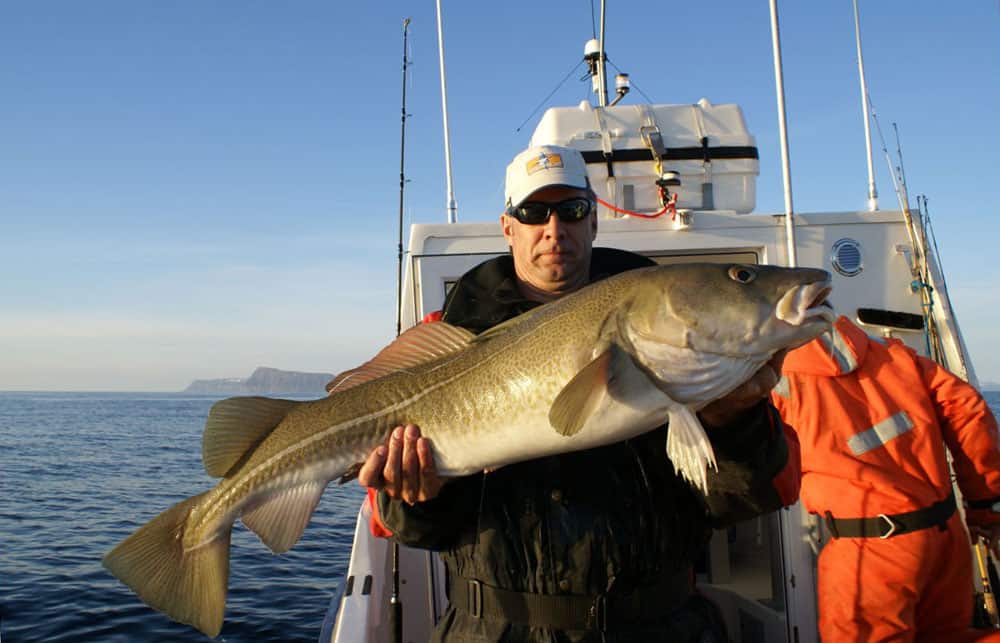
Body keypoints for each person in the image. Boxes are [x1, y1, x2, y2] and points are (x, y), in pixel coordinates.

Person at [358, 144, 800, 642]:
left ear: (593, 221)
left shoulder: (685, 352)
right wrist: (417, 499)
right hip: (496, 629)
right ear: (508, 226)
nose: (554, 229)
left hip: (659, 626)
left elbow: (746, 502)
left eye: (571, 210)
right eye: (533, 212)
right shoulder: (449, 336)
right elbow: (418, 533)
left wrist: (735, 421)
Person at [771, 314, 1000, 642]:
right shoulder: (890, 351)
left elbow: (774, 480)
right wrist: (985, 509)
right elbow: (968, 410)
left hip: (872, 552)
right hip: (946, 538)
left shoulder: (773, 379)